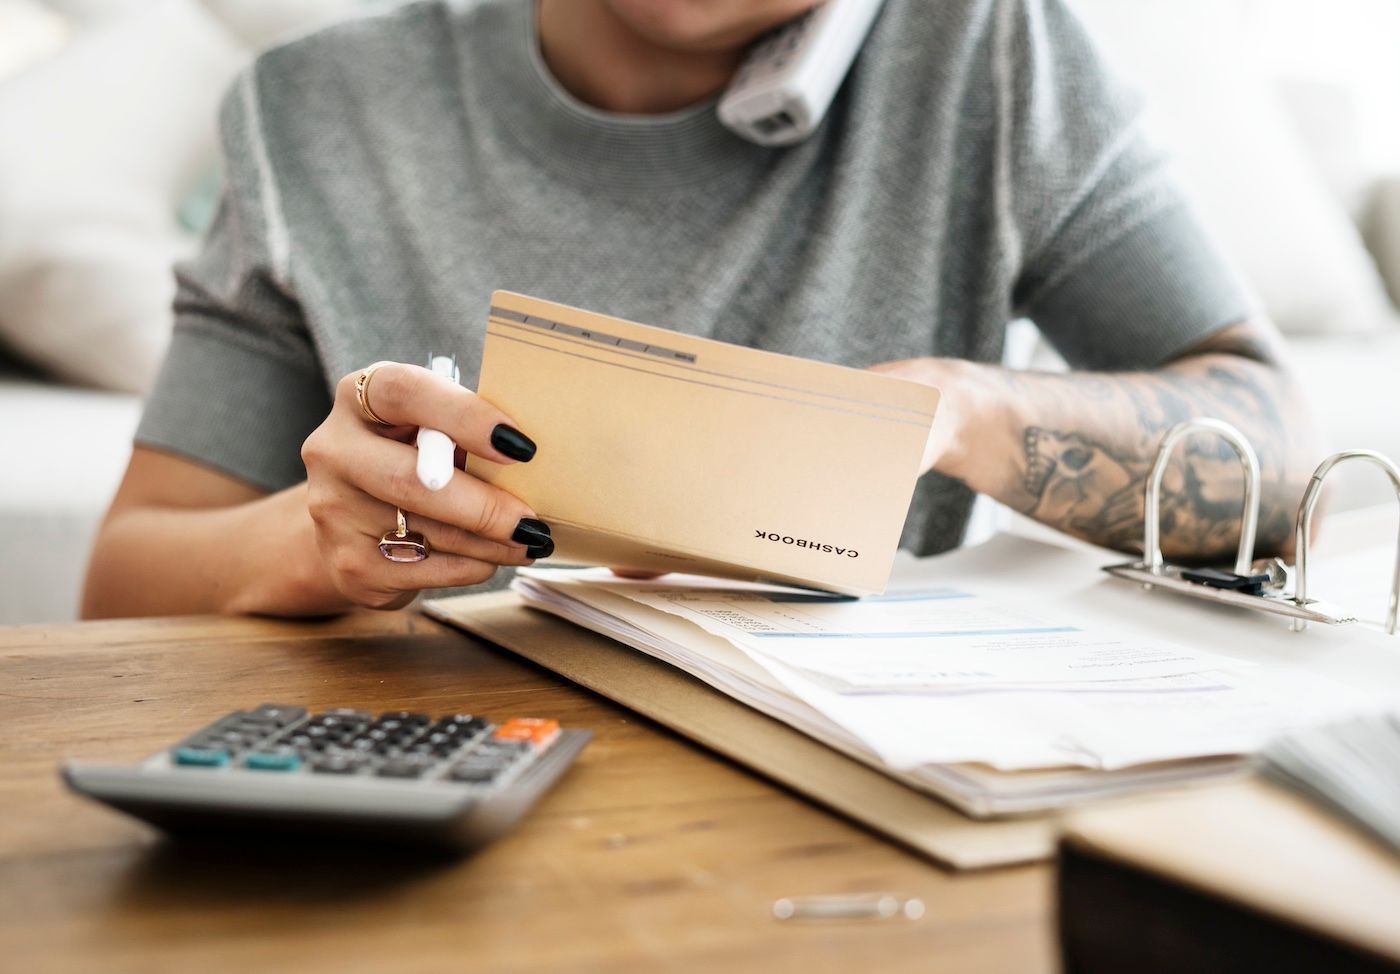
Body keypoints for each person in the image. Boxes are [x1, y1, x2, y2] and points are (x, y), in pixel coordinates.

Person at [82, 0, 1318, 619]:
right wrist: (320, 539)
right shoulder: (319, 111)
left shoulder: (985, 50)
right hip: (439, 779)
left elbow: (1275, 456)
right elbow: (125, 581)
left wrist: (960, 414)